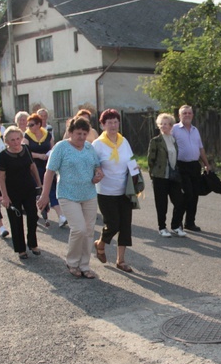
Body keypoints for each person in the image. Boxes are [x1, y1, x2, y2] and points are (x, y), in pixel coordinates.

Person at [38, 117, 103, 278]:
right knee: (78, 229)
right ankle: (72, 262)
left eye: (84, 133)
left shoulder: (89, 148)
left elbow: (97, 166)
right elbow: (50, 171)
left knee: (88, 231)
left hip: (88, 194)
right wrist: (45, 194)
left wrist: (98, 174)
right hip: (68, 195)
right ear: (70, 132)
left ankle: (84, 265)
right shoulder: (61, 147)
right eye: (78, 133)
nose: (81, 137)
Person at [92, 109, 137, 273]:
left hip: (124, 190)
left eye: (115, 121)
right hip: (105, 191)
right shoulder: (97, 144)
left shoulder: (123, 141)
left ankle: (121, 260)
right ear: (102, 125)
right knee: (112, 224)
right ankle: (101, 244)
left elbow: (131, 160)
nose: (113, 125)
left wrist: (136, 176)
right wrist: (97, 170)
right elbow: (92, 163)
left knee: (125, 225)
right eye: (109, 122)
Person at [0, 127, 43, 260]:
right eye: (12, 140)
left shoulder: (26, 150)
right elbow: (1, 177)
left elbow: (33, 167)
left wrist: (39, 185)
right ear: (7, 142)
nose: (16, 142)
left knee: (33, 216)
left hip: (28, 189)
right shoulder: (3, 155)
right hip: (12, 192)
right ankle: (21, 249)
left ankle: (33, 244)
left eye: (18, 139)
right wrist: (5, 196)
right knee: (15, 220)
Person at [23, 112, 67, 228]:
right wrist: (39, 155)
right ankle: (34, 212)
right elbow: (25, 152)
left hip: (48, 166)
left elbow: (53, 149)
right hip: (34, 167)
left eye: (31, 125)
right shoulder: (26, 137)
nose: (29, 127)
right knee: (36, 191)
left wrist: (49, 155)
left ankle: (61, 216)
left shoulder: (47, 135)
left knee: (51, 189)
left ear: (38, 124)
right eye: (28, 125)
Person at [147, 113, 187, 238]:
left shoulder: (173, 140)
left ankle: (175, 226)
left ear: (171, 126)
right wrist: (153, 174)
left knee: (180, 201)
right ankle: (162, 228)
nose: (163, 126)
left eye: (166, 124)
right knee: (161, 204)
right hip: (160, 176)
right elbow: (150, 160)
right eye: (161, 124)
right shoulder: (156, 141)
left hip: (173, 176)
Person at [173, 105, 211, 232]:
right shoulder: (174, 129)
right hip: (180, 166)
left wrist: (206, 163)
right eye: (184, 113)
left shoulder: (195, 130)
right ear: (179, 116)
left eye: (189, 113)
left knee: (194, 195)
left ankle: (190, 222)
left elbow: (200, 148)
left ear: (193, 115)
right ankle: (177, 222)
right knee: (185, 195)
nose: (187, 115)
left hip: (195, 166)